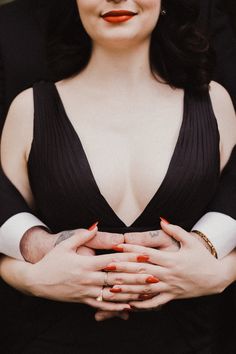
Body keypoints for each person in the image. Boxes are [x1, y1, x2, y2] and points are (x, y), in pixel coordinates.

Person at [1, 0, 236, 353]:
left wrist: (222, 273)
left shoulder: (215, 102)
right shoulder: (28, 108)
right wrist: (32, 279)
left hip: (195, 342)